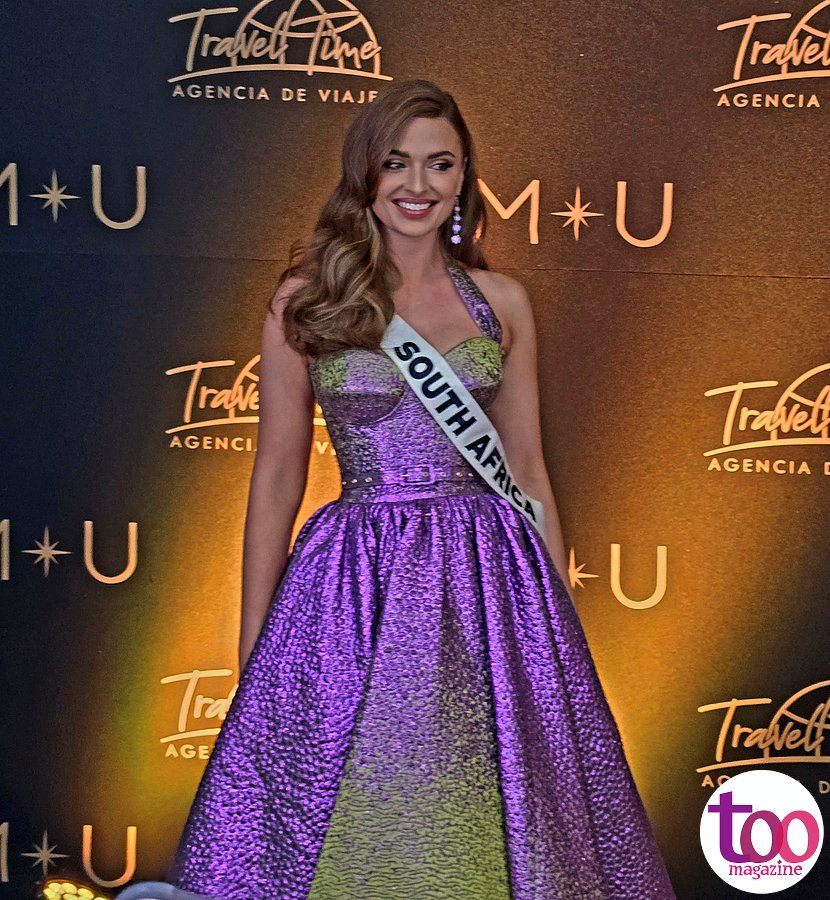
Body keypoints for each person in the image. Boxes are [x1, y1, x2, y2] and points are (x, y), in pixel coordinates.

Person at [117, 79, 676, 900]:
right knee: (355, 789)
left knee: (489, 800)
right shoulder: (305, 300)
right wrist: (254, 641)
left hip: (489, 578)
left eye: (439, 164)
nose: (418, 185)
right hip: (356, 579)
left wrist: (554, 625)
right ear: (366, 174)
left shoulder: (504, 303)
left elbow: (526, 469)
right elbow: (277, 475)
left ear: (464, 176)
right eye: (397, 163)